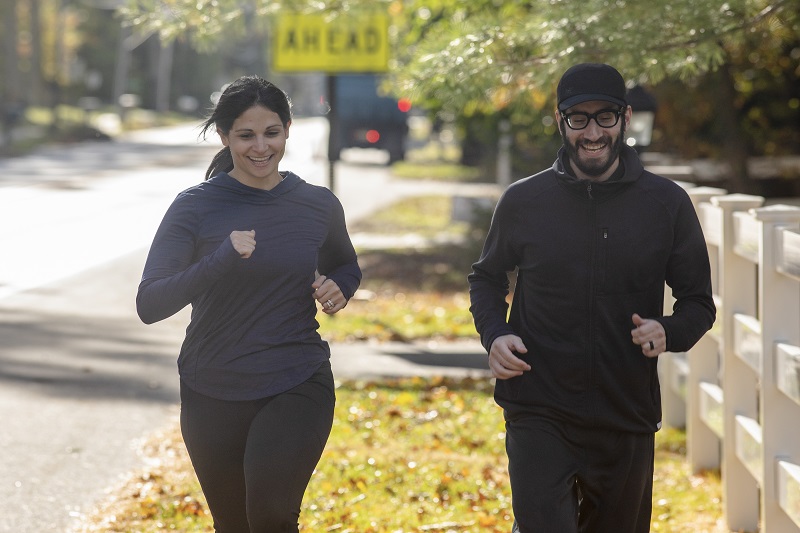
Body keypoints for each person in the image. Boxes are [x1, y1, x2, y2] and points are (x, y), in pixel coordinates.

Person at [468, 63, 715, 533]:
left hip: (626, 411)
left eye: (605, 117)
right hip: (538, 404)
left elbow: (699, 304)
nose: (593, 132)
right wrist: (495, 334)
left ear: (624, 118)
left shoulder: (666, 204)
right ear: (560, 121)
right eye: (578, 118)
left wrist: (669, 331)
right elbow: (486, 277)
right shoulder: (524, 201)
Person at [136, 75, 361, 532]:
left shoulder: (317, 204)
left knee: (272, 514)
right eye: (246, 135)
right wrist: (220, 259)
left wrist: (339, 288)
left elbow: (345, 264)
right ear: (224, 137)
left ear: (288, 129)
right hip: (211, 384)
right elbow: (150, 303)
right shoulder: (195, 206)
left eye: (271, 133)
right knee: (233, 524)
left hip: (296, 377)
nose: (261, 147)